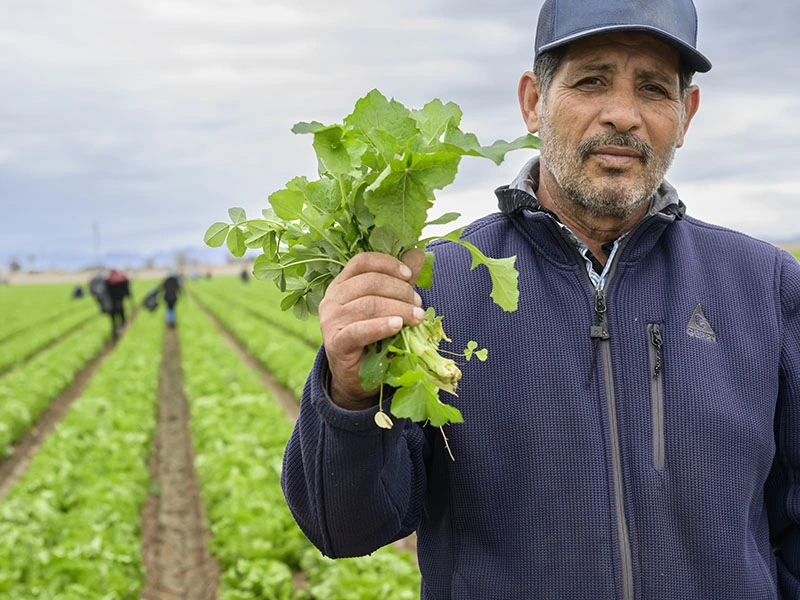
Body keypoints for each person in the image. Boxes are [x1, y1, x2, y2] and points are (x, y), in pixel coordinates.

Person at [280, 1, 800, 598]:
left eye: (654, 89)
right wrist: (348, 394)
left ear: (686, 114)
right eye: (592, 81)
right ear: (533, 102)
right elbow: (342, 528)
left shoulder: (765, 284)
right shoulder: (428, 290)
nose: (623, 115)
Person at [106, 269, 131, 339]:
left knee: (113, 321)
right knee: (122, 318)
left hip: (111, 306)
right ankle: (121, 333)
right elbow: (127, 292)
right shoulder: (121, 281)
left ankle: (114, 334)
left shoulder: (108, 282)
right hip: (119, 304)